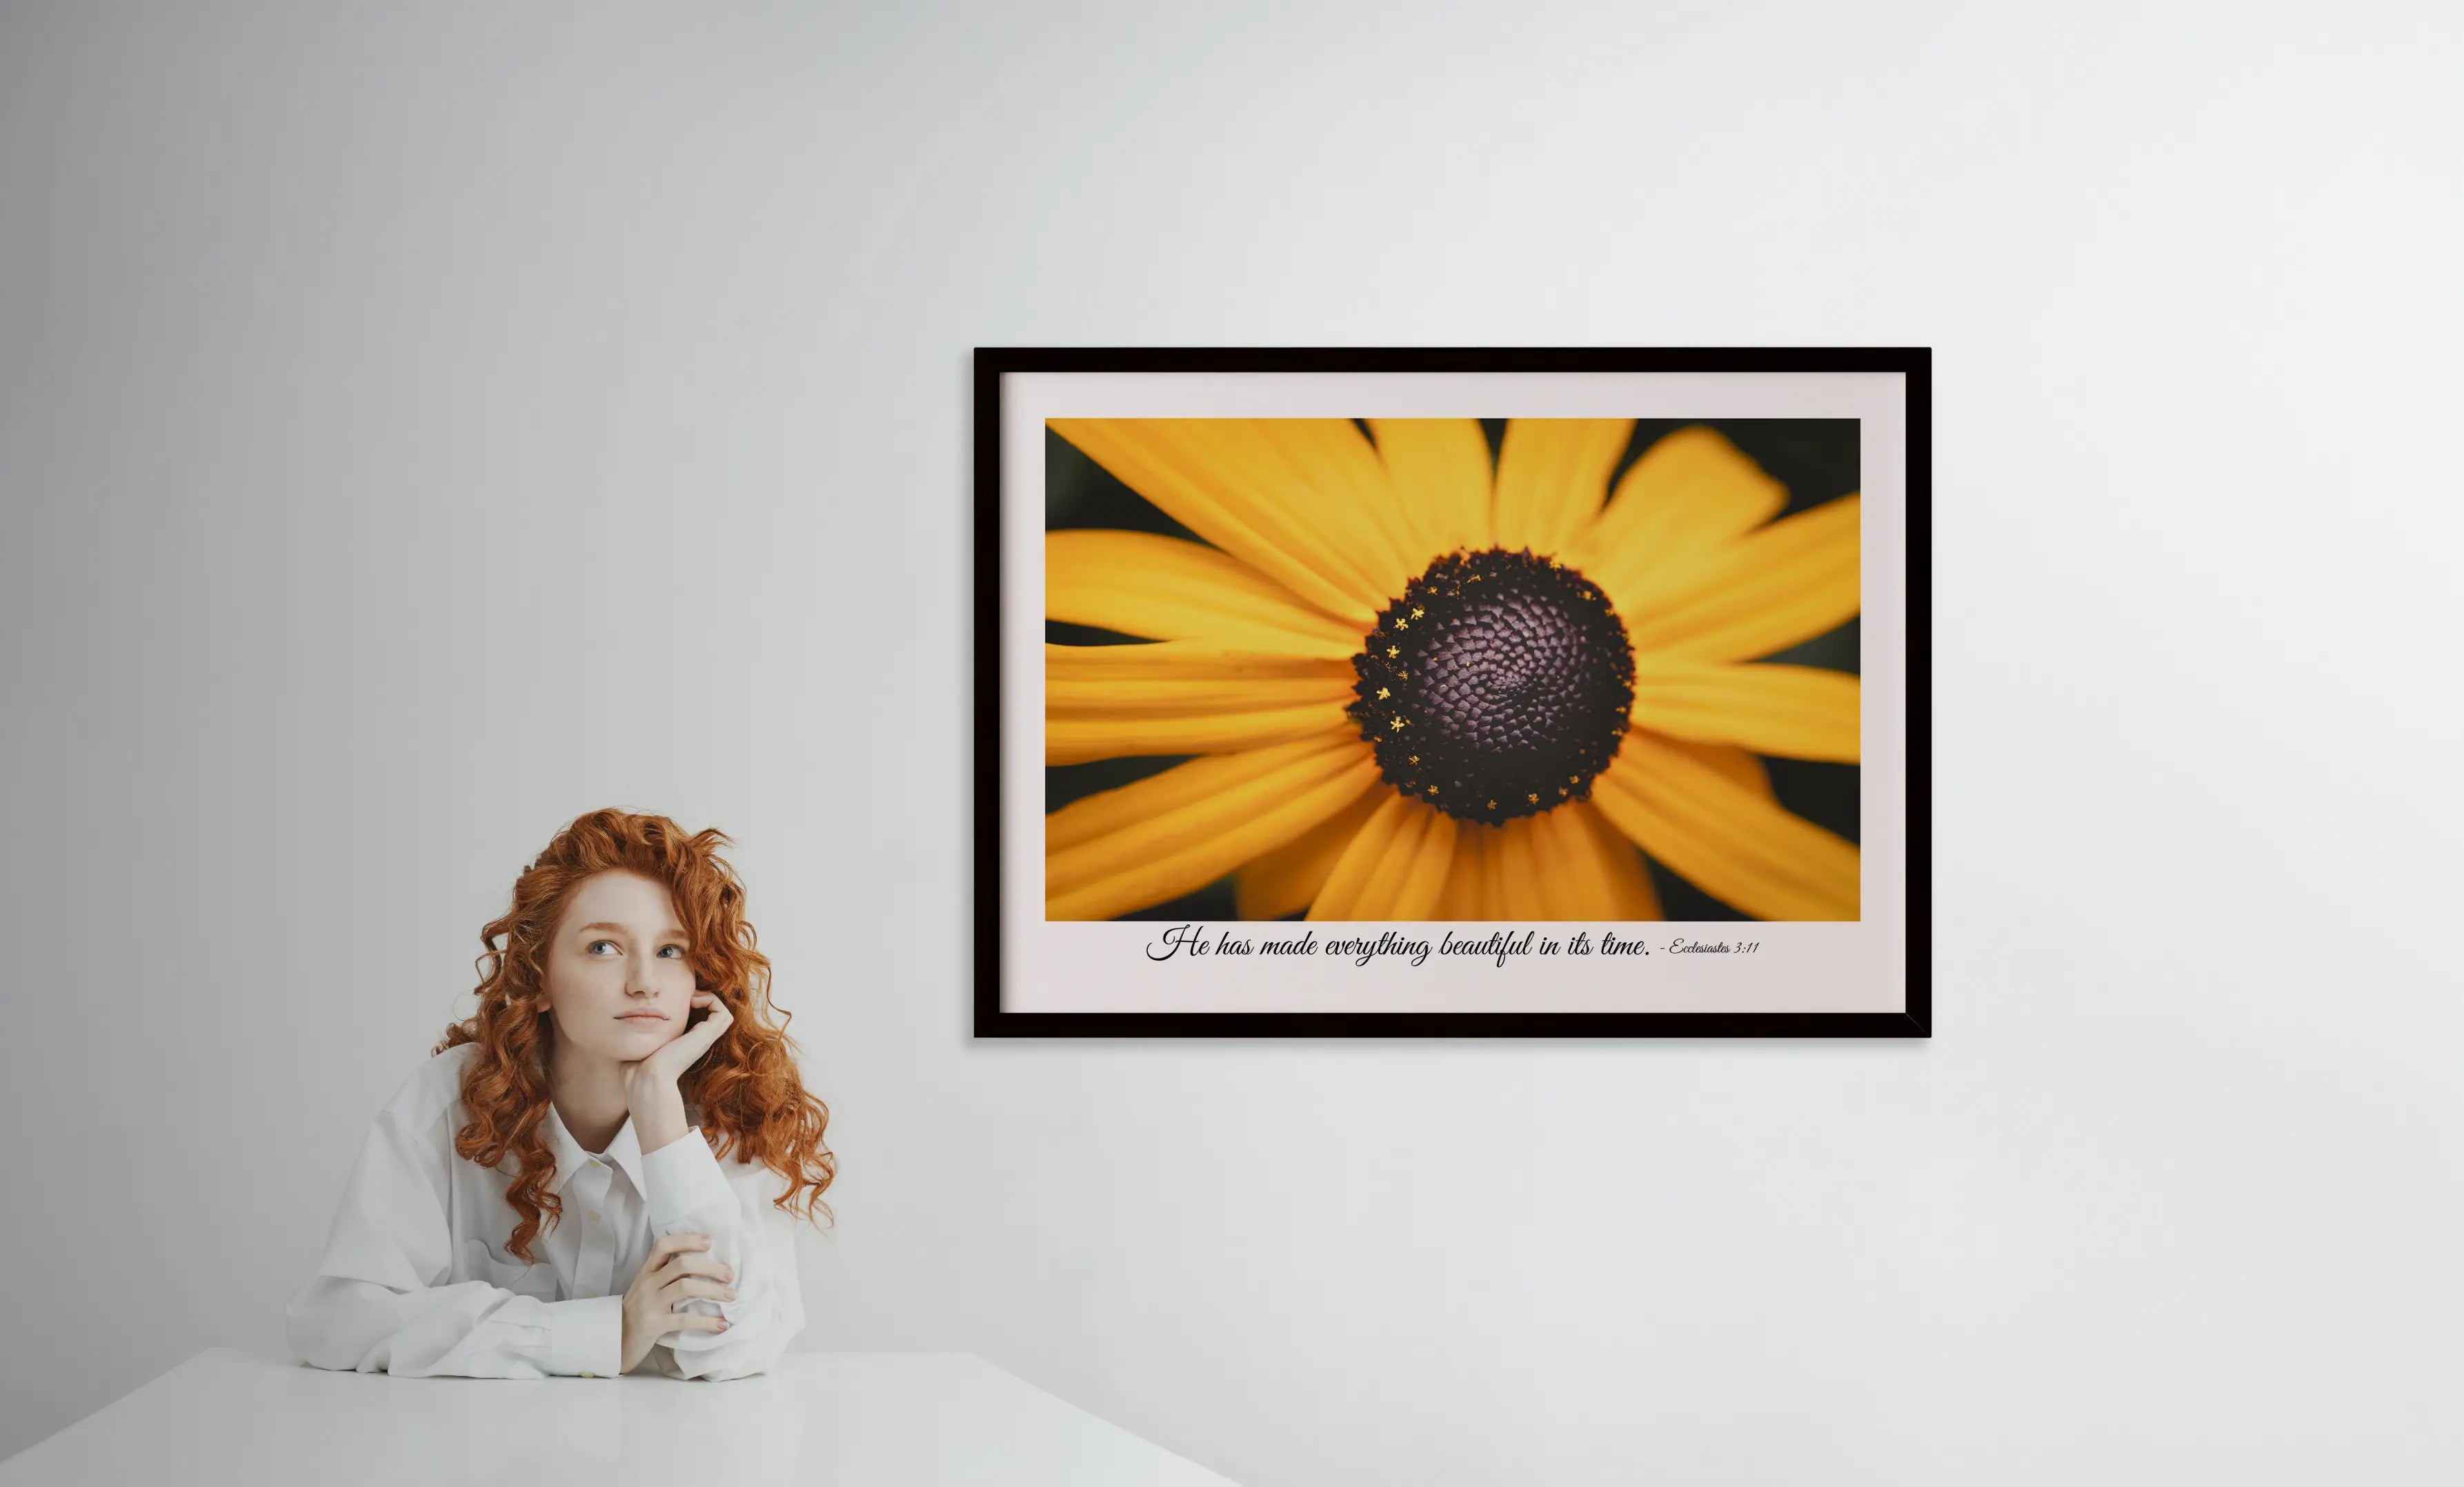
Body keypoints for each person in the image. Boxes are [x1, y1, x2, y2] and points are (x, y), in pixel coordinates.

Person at [286, 808, 836, 1379]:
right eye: (604, 948)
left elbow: (733, 1342)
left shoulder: (731, 1110)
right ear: (540, 978)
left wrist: (662, 1118)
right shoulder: (447, 1103)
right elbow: (339, 1319)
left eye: (671, 951)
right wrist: (607, 1334)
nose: (645, 982)